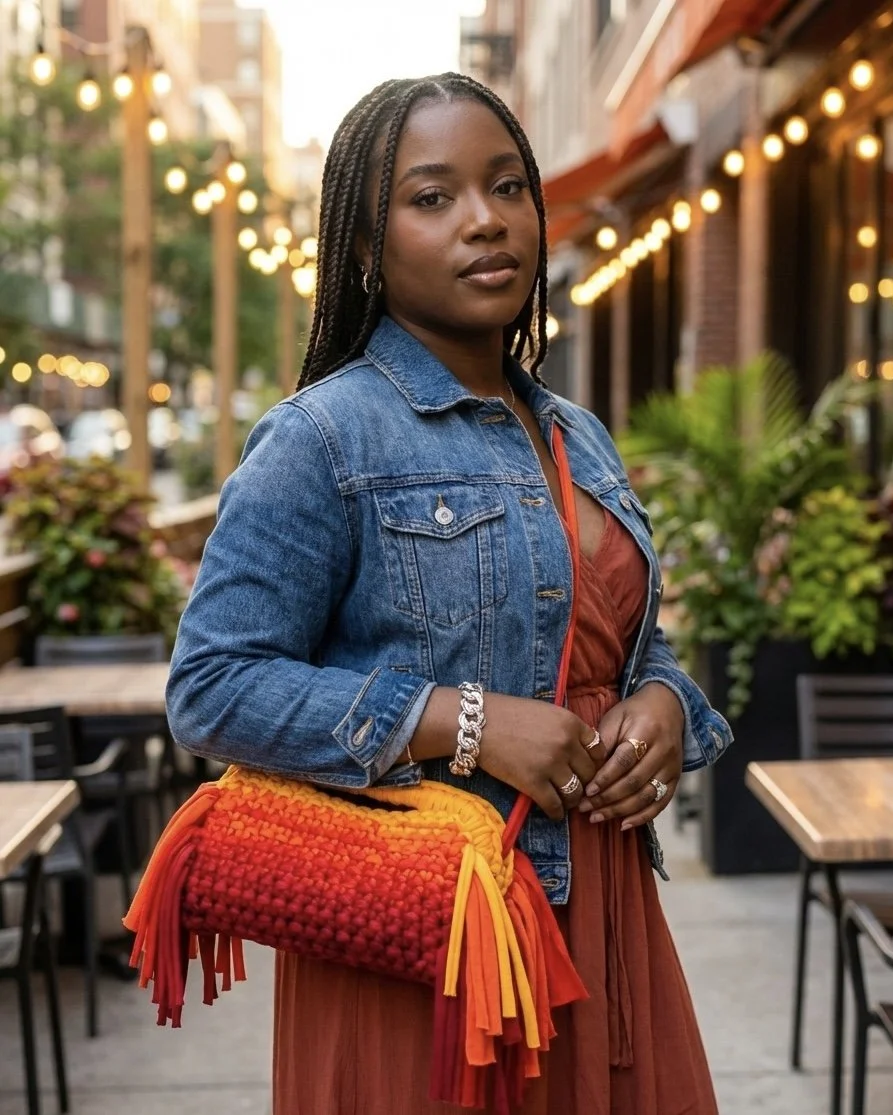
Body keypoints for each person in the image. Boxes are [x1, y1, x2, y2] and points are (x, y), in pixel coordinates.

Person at [166, 72, 732, 1115]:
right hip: (426, 935)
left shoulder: (575, 433)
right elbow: (210, 686)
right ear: (367, 247)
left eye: (507, 185)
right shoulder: (321, 438)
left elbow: (616, 643)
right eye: (432, 197)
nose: (484, 219)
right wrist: (458, 721)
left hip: (598, 911)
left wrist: (664, 705)